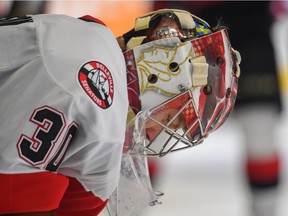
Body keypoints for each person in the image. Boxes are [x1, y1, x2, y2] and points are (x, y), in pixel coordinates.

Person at [0, 8, 240, 216]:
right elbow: (11, 196)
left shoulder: (92, 44)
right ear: (160, 74)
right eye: (169, 118)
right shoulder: (91, 99)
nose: (153, 135)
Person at [153, 2, 282, 216]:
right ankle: (131, 207)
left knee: (259, 125)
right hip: (182, 18)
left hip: (249, 24)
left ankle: (265, 211)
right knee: (155, 125)